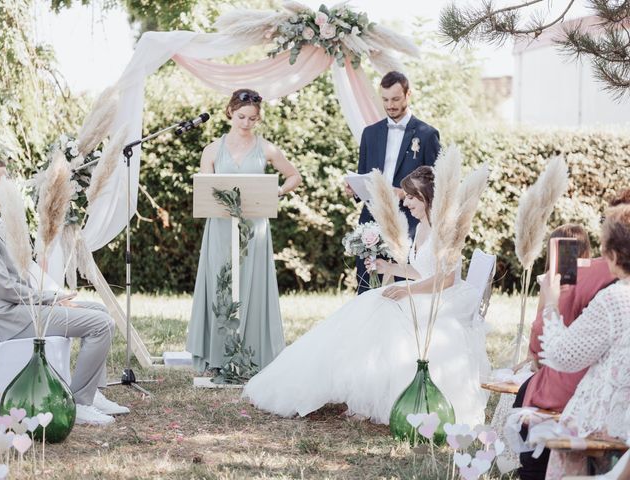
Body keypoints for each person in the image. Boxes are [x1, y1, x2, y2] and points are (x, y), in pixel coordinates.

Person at [243, 166, 488, 426]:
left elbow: (445, 279)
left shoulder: (444, 230)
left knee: (383, 313)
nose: (405, 202)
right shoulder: (421, 227)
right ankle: (324, 384)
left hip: (443, 301)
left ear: (427, 198)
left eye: (411, 197)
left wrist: (407, 290)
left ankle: (368, 398)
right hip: (423, 293)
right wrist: (390, 268)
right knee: (369, 305)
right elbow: (422, 271)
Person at [0, 159, 128, 426]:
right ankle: (80, 402)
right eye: (0, 181)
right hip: (11, 319)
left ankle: (93, 392)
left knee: (98, 310)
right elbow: (4, 288)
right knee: (101, 324)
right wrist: (53, 298)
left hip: (23, 309)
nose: (8, 186)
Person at [186, 89, 302, 373]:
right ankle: (217, 357)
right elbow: (204, 189)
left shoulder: (266, 148)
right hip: (220, 228)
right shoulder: (212, 149)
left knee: (252, 285)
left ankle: (252, 355)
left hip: (254, 230)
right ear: (230, 112)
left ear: (258, 118)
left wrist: (278, 191)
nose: (246, 123)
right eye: (241, 116)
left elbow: (294, 176)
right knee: (219, 284)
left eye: (252, 118)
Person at [512, 224, 615, 480]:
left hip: (565, 387)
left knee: (528, 403)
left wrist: (551, 302)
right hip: (605, 392)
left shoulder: (576, 277)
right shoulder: (602, 274)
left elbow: (541, 348)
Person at [535, 204, 630, 479]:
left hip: (605, 423)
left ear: (612, 254)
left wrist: (552, 302)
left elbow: (562, 356)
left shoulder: (615, 299)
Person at [347, 71, 441, 294]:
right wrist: (354, 189)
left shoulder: (427, 134)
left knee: (403, 285)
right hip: (372, 221)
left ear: (408, 94)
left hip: (410, 221)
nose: (390, 105)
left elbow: (436, 183)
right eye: (385, 99)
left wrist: (406, 194)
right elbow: (364, 176)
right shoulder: (369, 134)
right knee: (365, 282)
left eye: (396, 99)